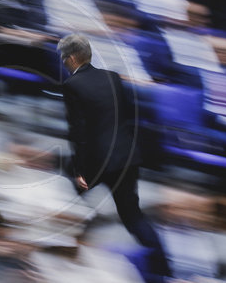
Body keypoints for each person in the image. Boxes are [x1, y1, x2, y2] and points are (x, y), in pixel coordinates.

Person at [57, 34, 172, 280]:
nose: (64, 62)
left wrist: (79, 170)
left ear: (73, 57)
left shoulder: (71, 85)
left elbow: (78, 131)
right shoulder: (113, 78)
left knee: (68, 177)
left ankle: (77, 230)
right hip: (127, 156)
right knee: (132, 216)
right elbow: (126, 115)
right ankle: (165, 271)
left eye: (65, 58)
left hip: (99, 160)